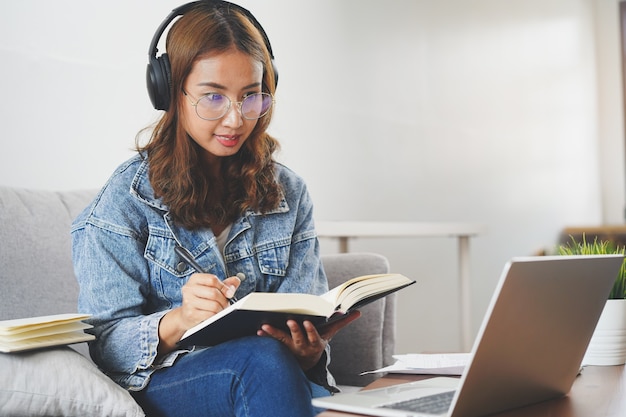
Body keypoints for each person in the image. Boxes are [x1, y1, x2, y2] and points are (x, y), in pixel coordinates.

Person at [71, 1, 359, 416]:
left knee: (274, 361)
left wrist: (309, 350)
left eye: (251, 96)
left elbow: (303, 317)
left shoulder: (288, 192)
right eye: (213, 97)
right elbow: (105, 347)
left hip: (270, 375)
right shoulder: (124, 200)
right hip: (168, 383)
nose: (235, 119)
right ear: (170, 91)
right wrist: (180, 320)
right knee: (261, 360)